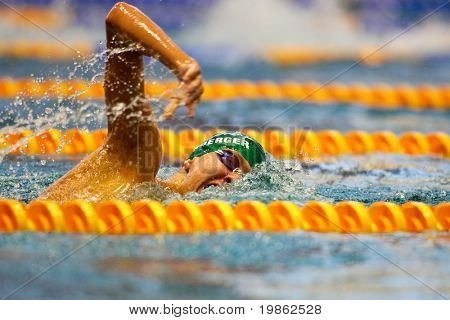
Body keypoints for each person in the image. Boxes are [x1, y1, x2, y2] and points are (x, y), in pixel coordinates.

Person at [40, 2, 266, 202]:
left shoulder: (159, 208)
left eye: (242, 178)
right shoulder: (137, 163)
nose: (232, 178)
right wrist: (182, 64)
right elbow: (119, 19)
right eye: (229, 160)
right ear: (191, 161)